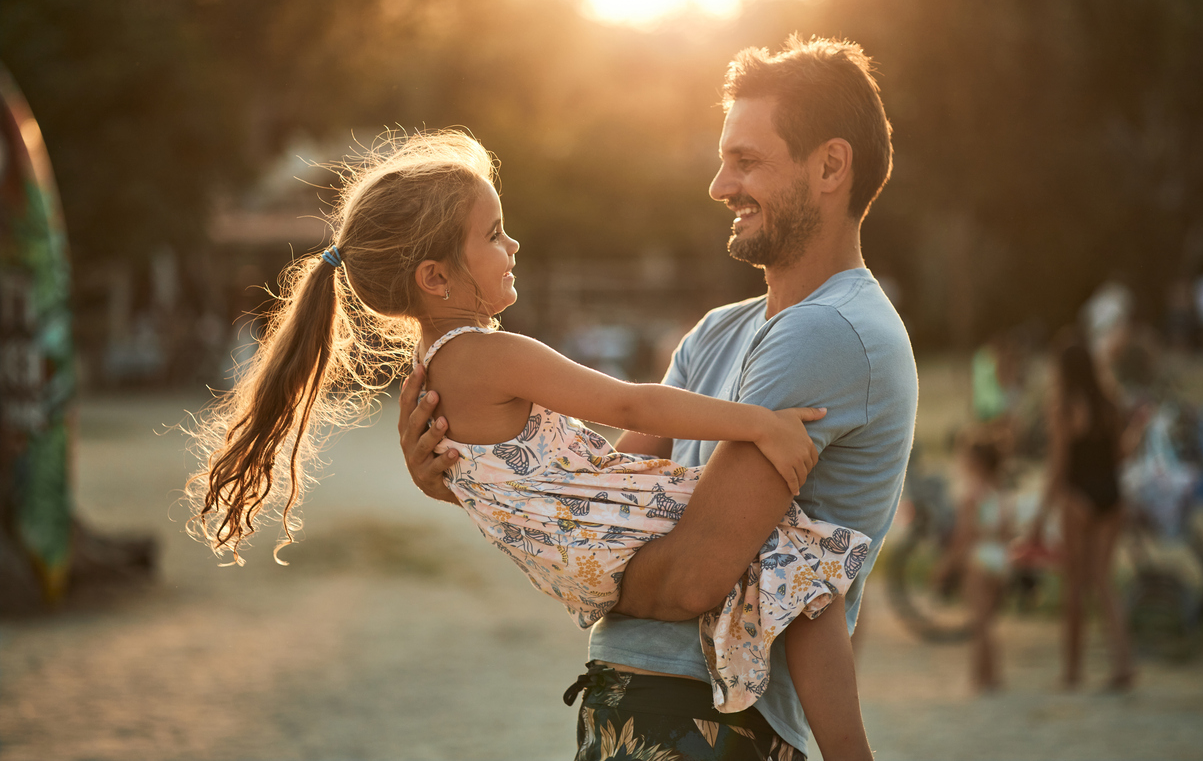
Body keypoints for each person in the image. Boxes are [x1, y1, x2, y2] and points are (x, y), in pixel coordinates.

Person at [184, 128, 875, 759]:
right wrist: (760, 423)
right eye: (494, 234)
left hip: (579, 560)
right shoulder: (490, 355)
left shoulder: (433, 374)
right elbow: (627, 401)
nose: (513, 247)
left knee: (777, 576)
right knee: (804, 567)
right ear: (436, 277)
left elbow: (510, 485)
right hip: (608, 531)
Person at [403, 36, 917, 760]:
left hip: (714, 723)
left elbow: (688, 581)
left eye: (746, 160)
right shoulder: (717, 333)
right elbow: (603, 496)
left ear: (831, 166)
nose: (718, 184)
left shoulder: (829, 333)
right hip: (634, 704)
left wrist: (588, 573)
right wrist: (469, 478)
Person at [1029, 331, 1134, 691]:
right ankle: (1123, 663)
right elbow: (1120, 454)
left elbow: (1058, 467)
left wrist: (1039, 517)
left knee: (1074, 586)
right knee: (1105, 583)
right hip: (1112, 495)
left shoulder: (1064, 406)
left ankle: (1072, 671)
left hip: (1080, 498)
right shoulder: (1110, 402)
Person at [935, 434, 1015, 693]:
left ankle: (980, 677)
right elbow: (1007, 531)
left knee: (978, 623)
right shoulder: (1000, 492)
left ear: (975, 462)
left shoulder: (970, 494)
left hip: (979, 559)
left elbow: (963, 536)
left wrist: (945, 566)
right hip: (1000, 558)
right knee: (989, 622)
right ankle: (993, 674)